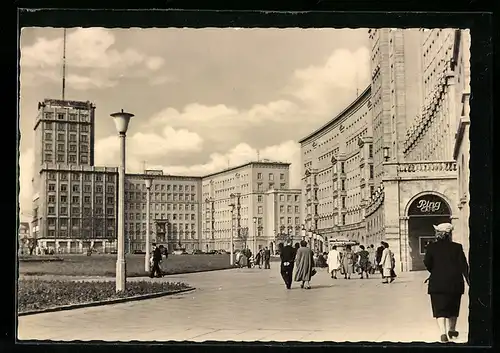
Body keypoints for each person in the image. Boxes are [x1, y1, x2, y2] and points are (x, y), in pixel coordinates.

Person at [424, 223, 470, 343]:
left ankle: (443, 333)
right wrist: (469, 281)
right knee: (453, 307)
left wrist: (436, 271)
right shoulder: (457, 247)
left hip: (437, 283)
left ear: (438, 234)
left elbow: (427, 263)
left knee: (439, 308)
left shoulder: (431, 247)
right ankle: (452, 330)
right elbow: (464, 266)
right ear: (449, 234)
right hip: (455, 282)